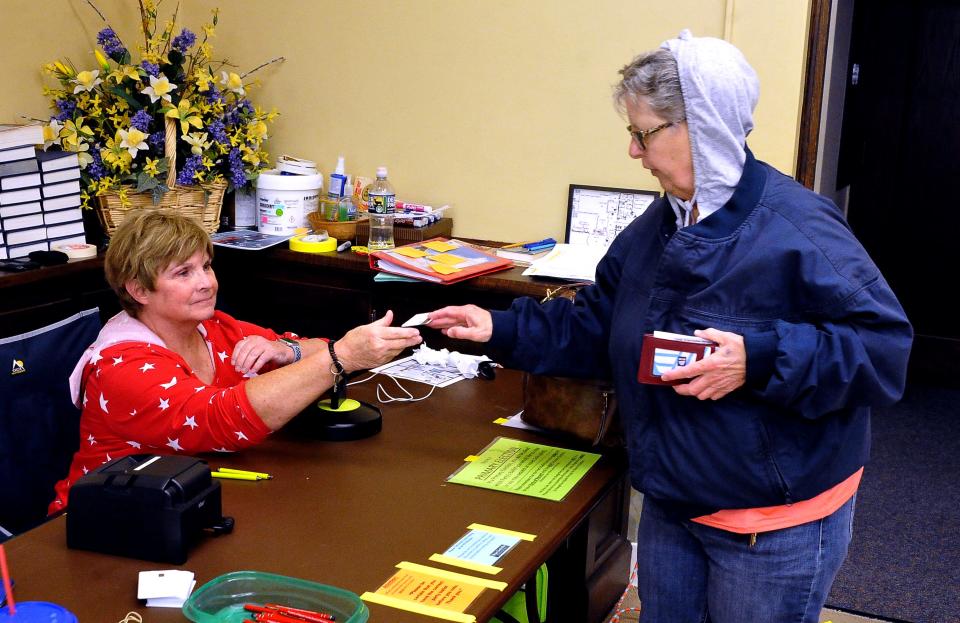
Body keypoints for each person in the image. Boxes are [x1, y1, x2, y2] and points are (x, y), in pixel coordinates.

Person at [427, 30, 913, 623]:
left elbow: (882, 351)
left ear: (701, 126)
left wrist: (757, 358)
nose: (633, 151)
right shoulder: (659, 224)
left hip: (768, 524)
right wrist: (498, 329)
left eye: (643, 133)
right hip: (672, 500)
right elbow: (598, 328)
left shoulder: (799, 228)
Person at [50, 209, 422, 513]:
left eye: (206, 266)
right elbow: (221, 420)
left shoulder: (212, 326)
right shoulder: (121, 365)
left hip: (186, 500)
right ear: (138, 290)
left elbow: (315, 346)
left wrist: (287, 351)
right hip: (106, 521)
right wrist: (343, 356)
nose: (206, 283)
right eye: (184, 273)